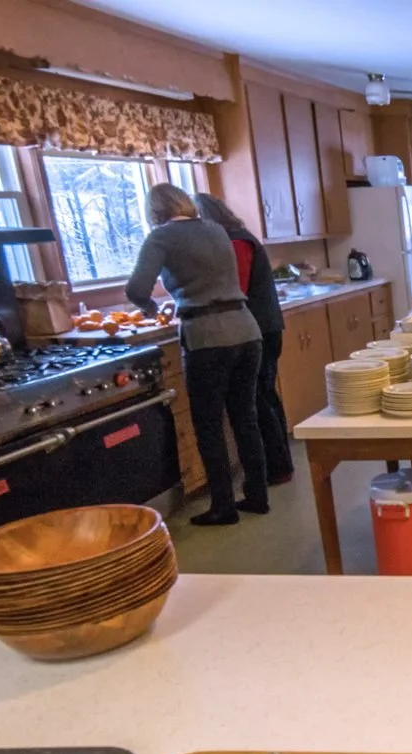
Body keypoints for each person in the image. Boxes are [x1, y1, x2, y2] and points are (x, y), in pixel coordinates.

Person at [125, 183, 266, 525]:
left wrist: (149, 306)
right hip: (246, 330)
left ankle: (223, 506)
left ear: (155, 212)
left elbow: (136, 288)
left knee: (209, 424)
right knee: (245, 417)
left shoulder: (161, 237)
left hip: (206, 336)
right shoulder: (216, 230)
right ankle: (258, 496)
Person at [194, 192, 293, 485]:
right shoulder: (237, 237)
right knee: (264, 396)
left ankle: (276, 467)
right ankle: (280, 464)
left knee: (259, 398)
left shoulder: (236, 241)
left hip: (259, 328)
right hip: (261, 326)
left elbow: (236, 286)